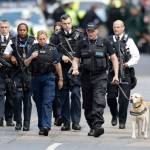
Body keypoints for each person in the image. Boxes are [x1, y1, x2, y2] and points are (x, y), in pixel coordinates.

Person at [72, 23, 119, 137]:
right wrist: (75, 68)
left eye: (93, 31)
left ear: (97, 31)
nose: (91, 33)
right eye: (89, 31)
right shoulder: (81, 43)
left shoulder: (105, 42)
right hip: (86, 77)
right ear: (86, 32)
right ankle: (93, 127)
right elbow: (75, 59)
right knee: (88, 105)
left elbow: (114, 58)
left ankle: (98, 125)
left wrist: (116, 75)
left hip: (100, 76)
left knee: (99, 101)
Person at [24, 30, 63, 136]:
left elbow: (57, 65)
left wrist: (60, 79)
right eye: (40, 39)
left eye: (44, 39)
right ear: (37, 39)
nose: (42, 41)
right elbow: (26, 63)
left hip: (49, 78)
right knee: (39, 103)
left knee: (47, 102)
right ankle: (41, 126)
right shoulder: (33, 48)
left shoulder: (52, 49)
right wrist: (32, 57)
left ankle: (46, 126)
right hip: (36, 78)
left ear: (47, 38)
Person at [50, 14, 83, 131]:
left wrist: (77, 61)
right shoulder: (56, 37)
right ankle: (66, 122)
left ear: (71, 22)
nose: (67, 26)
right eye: (64, 24)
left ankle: (76, 122)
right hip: (62, 70)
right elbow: (51, 52)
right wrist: (61, 56)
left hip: (76, 70)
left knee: (75, 95)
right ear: (61, 24)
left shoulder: (79, 35)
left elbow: (85, 49)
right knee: (63, 97)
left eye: (69, 23)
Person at [107, 20, 140, 129]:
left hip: (125, 72)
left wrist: (127, 64)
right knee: (111, 97)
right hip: (112, 72)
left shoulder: (128, 41)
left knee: (124, 99)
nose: (116, 29)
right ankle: (114, 115)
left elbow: (136, 56)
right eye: (114, 27)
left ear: (123, 28)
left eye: (118, 27)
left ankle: (122, 121)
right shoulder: (108, 40)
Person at [4, 23, 35, 131]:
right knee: (17, 98)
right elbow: (5, 54)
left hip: (29, 74)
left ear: (27, 30)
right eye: (20, 30)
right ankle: (18, 121)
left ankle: (26, 123)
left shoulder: (33, 40)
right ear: (17, 30)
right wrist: (11, 56)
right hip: (16, 73)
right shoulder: (13, 40)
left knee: (27, 100)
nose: (22, 32)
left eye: (24, 30)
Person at [0, 20, 14, 127]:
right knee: (0, 94)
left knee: (10, 94)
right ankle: (0, 118)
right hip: (0, 71)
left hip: (11, 70)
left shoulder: (14, 39)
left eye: (6, 27)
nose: (4, 29)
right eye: (2, 27)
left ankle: (9, 118)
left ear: (9, 28)